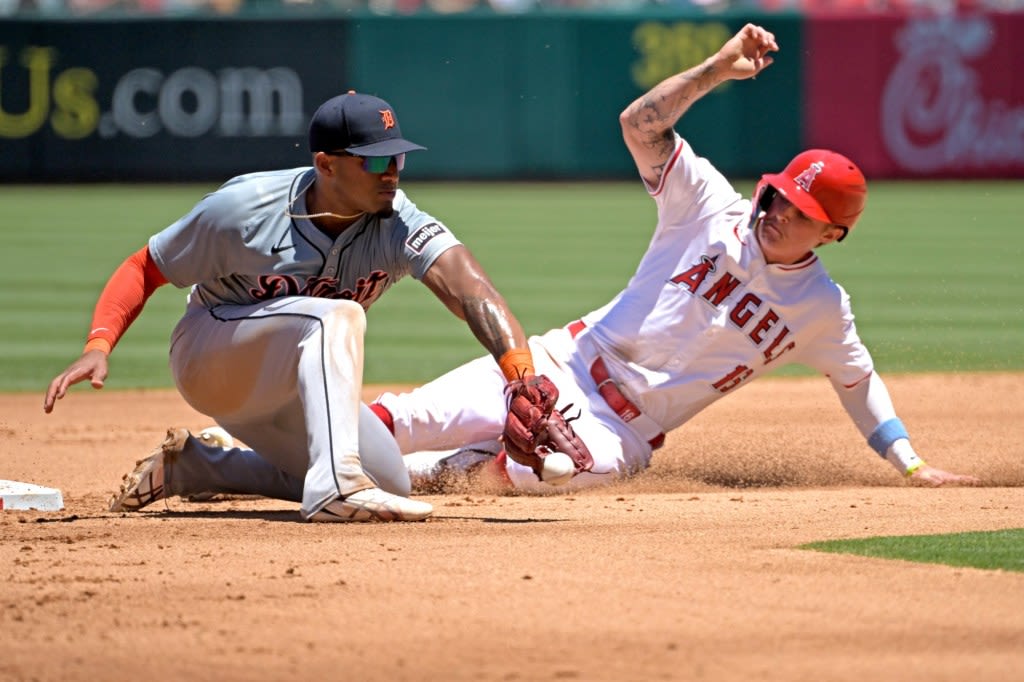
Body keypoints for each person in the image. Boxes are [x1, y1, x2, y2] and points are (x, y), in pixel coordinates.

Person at [369, 23, 980, 492]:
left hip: (621, 433)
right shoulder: (710, 204)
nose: (779, 211)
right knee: (396, 420)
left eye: (802, 212)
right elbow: (639, 126)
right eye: (780, 195)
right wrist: (716, 68)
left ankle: (436, 472)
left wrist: (912, 464)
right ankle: (298, 453)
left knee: (533, 473)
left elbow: (858, 384)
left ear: (831, 234)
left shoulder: (821, 309)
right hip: (562, 361)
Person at [43, 90, 546, 521]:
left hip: (292, 385)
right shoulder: (243, 210)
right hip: (212, 355)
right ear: (326, 164)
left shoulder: (398, 220)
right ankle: (334, 486)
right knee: (336, 316)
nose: (390, 172)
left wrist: (519, 376)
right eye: (373, 160)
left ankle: (197, 466)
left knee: (391, 483)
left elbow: (470, 289)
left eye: (397, 158)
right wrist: (99, 343)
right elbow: (145, 267)